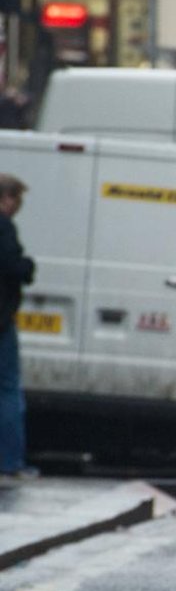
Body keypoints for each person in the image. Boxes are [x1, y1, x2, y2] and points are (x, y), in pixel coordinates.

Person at [0, 172, 36, 482]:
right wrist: (28, 266)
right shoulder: (3, 227)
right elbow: (12, 265)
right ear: (7, 198)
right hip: (0, 322)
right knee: (9, 390)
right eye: (17, 200)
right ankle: (10, 461)